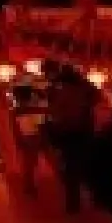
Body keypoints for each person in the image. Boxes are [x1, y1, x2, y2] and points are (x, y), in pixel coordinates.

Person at [43, 64, 99, 213]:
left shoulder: (60, 91)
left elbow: (55, 112)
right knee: (87, 164)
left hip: (68, 132)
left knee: (70, 166)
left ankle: (73, 202)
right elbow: (97, 98)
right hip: (84, 130)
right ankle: (95, 196)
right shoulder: (85, 90)